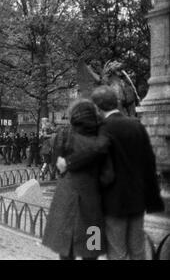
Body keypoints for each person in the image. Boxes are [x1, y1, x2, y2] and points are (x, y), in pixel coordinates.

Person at [56, 86, 164, 260]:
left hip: (113, 201)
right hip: (137, 200)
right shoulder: (136, 125)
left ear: (98, 108)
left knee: (117, 252)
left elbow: (93, 153)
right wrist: (152, 200)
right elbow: (149, 163)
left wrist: (67, 163)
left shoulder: (103, 129)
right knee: (138, 251)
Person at [42, 99, 106, 260]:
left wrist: (68, 164)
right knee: (92, 246)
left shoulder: (64, 134)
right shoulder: (102, 136)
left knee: (65, 245)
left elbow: (57, 163)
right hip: (94, 196)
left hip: (67, 191)